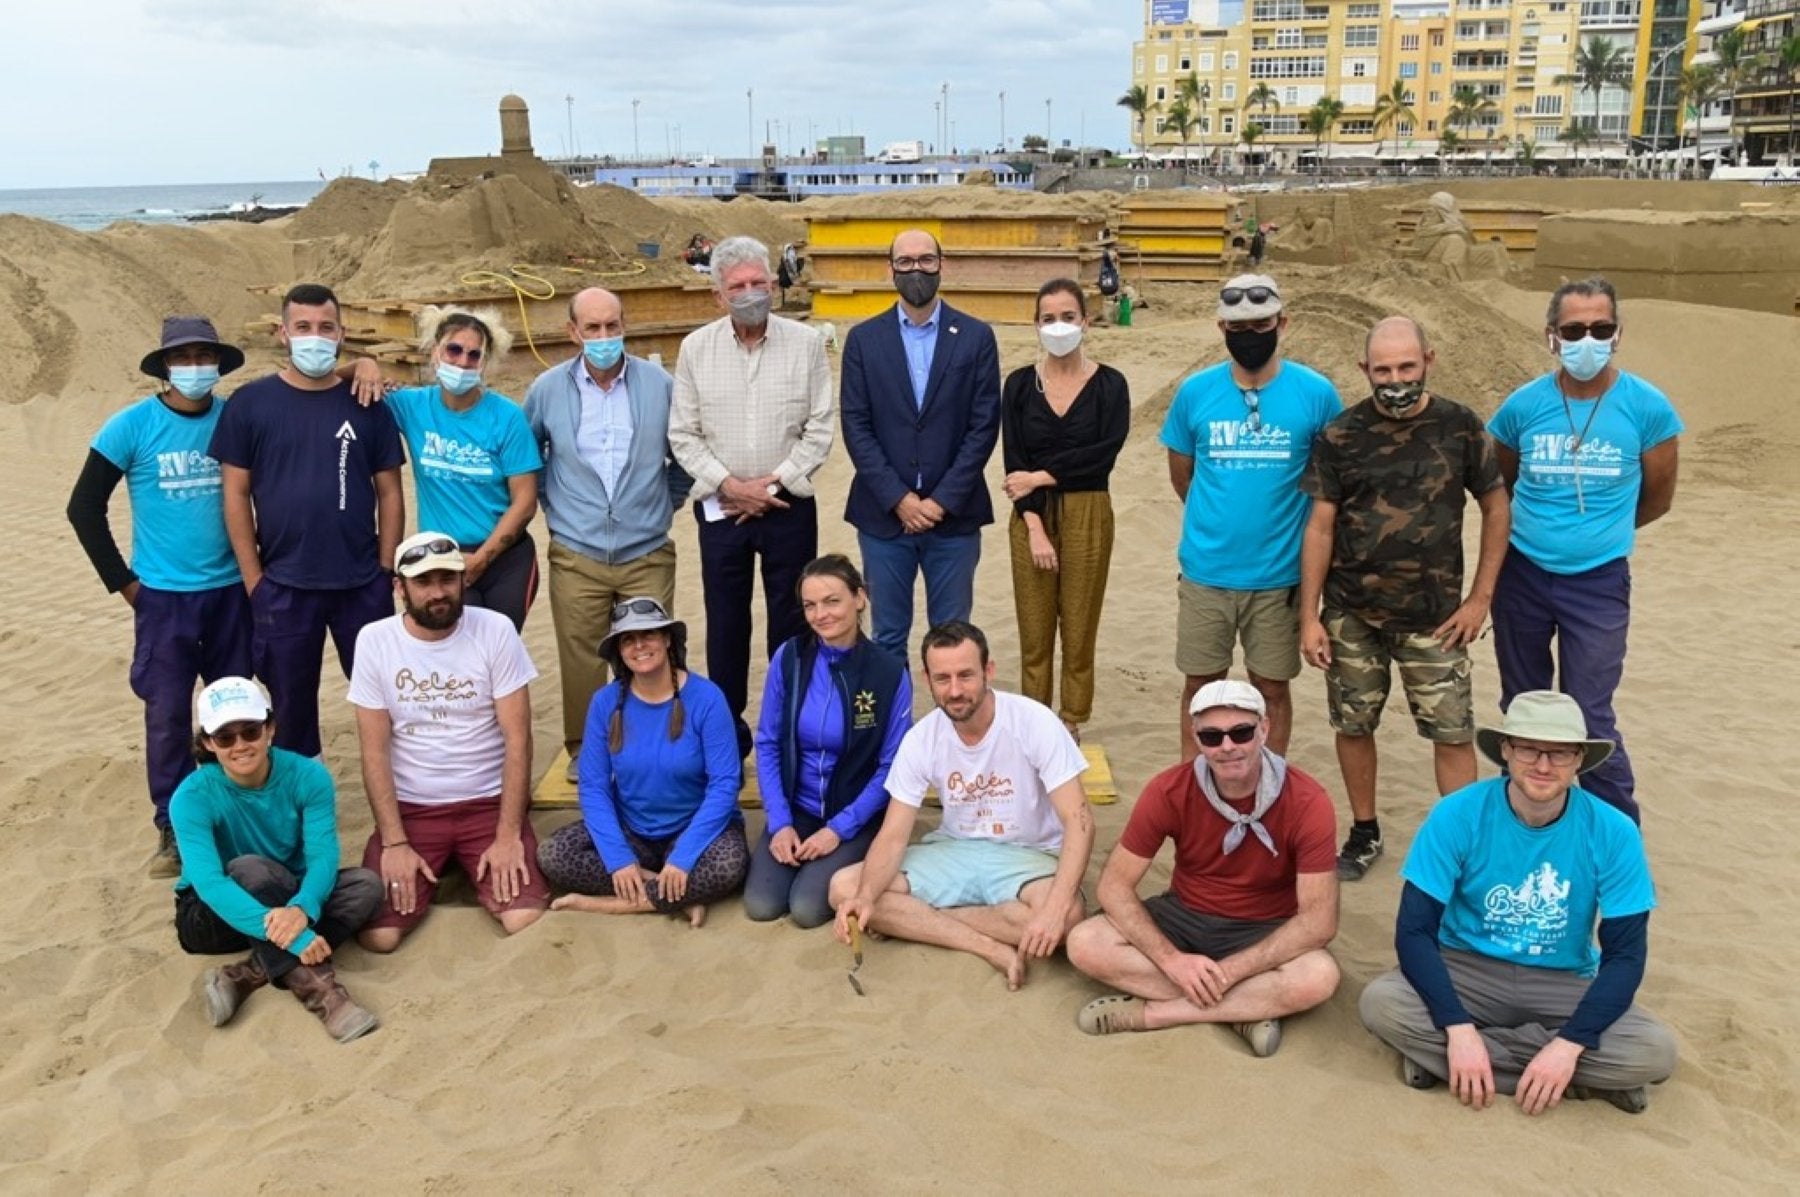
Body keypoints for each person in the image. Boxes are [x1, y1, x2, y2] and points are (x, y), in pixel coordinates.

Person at [1359, 691, 1678, 1115]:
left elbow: (1626, 956)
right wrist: (1457, 1027)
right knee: (1380, 1003)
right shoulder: (1457, 813)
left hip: (1561, 978)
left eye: (1560, 753)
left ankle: (1459, 1065)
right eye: (1529, 748)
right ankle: (1560, 1078)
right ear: (1506, 750)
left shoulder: (1614, 831)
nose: (1543, 765)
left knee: (1654, 1053)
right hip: (1465, 967)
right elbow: (1414, 932)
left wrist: (1568, 1045)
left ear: (1579, 758)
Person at [1298, 316, 1511, 881]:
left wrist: (1480, 599)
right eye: (1384, 369)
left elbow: (1495, 506)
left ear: (1429, 361)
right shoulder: (1342, 435)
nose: (1396, 380)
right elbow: (1319, 525)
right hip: (1352, 614)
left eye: (1407, 367)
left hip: (1436, 618)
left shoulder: (1461, 426)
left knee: (1452, 731)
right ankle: (1364, 830)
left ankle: (1459, 845)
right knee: (1353, 723)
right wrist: (1310, 618)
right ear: (1365, 370)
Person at [1486, 277, 1682, 822]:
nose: (1587, 340)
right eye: (1574, 330)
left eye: (1600, 328)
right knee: (1522, 706)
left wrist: (1602, 533)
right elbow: (1501, 482)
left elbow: (1658, 497)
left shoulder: (1648, 408)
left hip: (1597, 583)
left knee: (1590, 714)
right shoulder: (1522, 406)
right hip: (1522, 575)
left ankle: (1614, 829)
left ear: (1617, 333)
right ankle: (1521, 819)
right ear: (1552, 336)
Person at [67, 316, 253, 876]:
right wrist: (125, 584)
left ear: (219, 364)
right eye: (184, 358)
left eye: (205, 357)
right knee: (168, 716)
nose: (196, 368)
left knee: (234, 709)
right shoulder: (132, 426)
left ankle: (235, 813)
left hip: (230, 594)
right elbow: (83, 507)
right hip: (164, 599)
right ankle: (173, 827)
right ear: (165, 367)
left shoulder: (236, 420)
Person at [1066, 680, 1339, 1053]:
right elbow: (1114, 886)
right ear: (1196, 739)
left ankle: (1158, 1014)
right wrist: (1173, 961)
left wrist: (1228, 973)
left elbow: (1318, 921)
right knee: (1085, 943)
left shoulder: (1308, 800)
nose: (1227, 747)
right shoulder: (1169, 789)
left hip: (1265, 926)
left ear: (1264, 729)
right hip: (1186, 914)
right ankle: (1243, 1012)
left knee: (1318, 977)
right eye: (1212, 737)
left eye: (1241, 732)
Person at [829, 621, 1094, 990]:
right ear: (927, 679)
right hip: (955, 849)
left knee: (1068, 918)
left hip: (1028, 853)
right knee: (846, 889)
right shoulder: (922, 737)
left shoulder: (1033, 721)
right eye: (943, 678)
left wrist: (1053, 911)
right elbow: (893, 836)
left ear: (989, 670)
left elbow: (1079, 821)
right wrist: (866, 897)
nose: (955, 690)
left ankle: (919, 922)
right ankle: (987, 944)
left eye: (966, 675)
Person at [208, 283, 406, 759]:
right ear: (283, 333)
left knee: (385, 699)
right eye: (303, 328)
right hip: (284, 585)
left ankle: (401, 795)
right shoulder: (249, 404)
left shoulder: (366, 402)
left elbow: (390, 491)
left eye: (325, 328)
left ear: (341, 334)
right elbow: (235, 494)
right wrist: (255, 579)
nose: (314, 337)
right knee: (292, 708)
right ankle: (304, 808)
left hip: (361, 583)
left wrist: (384, 571)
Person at [1160, 274, 1341, 759]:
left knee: (1272, 688)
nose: (1250, 334)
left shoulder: (1317, 394)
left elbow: (1328, 484)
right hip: (1206, 574)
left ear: (1283, 322)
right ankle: (1196, 790)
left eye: (1261, 324)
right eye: (1237, 326)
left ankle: (1269, 783)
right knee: (1200, 686)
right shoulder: (1195, 393)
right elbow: (1184, 477)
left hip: (1279, 579)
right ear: (1221, 327)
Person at [669, 235, 835, 754]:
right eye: (737, 286)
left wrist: (772, 484)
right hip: (721, 508)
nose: (749, 293)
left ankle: (786, 723)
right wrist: (731, 486)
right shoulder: (695, 349)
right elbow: (684, 435)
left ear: (773, 283)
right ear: (718, 295)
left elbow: (820, 427)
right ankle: (728, 731)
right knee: (725, 621)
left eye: (758, 283)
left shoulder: (806, 344)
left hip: (787, 505)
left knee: (792, 617)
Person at [348, 532, 548, 950]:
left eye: (448, 579)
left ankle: (465, 859)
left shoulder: (495, 630)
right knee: (379, 937)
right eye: (424, 582)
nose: (438, 593)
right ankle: (444, 861)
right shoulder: (374, 641)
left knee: (523, 917)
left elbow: (517, 739)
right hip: (414, 809)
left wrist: (509, 832)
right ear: (399, 587)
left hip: (488, 803)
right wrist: (395, 841)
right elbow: (373, 751)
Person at [523, 287, 690, 776]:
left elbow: (681, 455)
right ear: (572, 331)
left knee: (652, 648)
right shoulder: (548, 389)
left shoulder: (659, 385)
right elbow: (529, 458)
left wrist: (663, 503)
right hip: (577, 551)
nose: (603, 337)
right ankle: (585, 748)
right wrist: (557, 508)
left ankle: (652, 741)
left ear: (625, 326)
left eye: (612, 327)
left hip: (647, 549)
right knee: (580, 654)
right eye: (592, 328)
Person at [169, 676, 382, 1043]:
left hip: (287, 892)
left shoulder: (308, 775)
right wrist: (298, 940)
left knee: (366, 887)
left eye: (250, 731)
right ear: (207, 743)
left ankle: (246, 974)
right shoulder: (191, 797)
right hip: (210, 913)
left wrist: (301, 908)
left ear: (270, 728)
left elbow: (322, 855)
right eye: (225, 737)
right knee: (250, 869)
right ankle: (325, 995)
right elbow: (210, 882)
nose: (240, 746)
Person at [839, 229, 1001, 663]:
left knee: (952, 638)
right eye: (906, 261)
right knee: (888, 636)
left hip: (954, 519)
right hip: (883, 518)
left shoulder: (976, 337)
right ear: (889, 268)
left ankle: (951, 730)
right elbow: (856, 425)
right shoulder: (862, 340)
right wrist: (900, 500)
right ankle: (896, 732)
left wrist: (941, 500)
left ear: (942, 265)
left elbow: (983, 425)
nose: (916, 270)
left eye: (926, 260)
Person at [537, 598, 747, 926]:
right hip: (634, 829)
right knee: (553, 855)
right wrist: (618, 858)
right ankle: (674, 894)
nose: (639, 646)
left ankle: (608, 904)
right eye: (627, 639)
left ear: (666, 639)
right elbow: (593, 786)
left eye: (648, 634)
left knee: (729, 865)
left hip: (693, 826)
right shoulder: (605, 702)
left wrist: (684, 857)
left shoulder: (707, 698)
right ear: (619, 651)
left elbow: (725, 783)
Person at [347, 307, 541, 631]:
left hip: (506, 559)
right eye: (453, 350)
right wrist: (363, 364)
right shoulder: (410, 406)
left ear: (484, 362)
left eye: (473, 354)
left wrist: (482, 559)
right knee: (452, 648)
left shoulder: (507, 417)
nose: (462, 362)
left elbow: (525, 502)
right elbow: (339, 387)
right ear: (436, 352)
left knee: (498, 648)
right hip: (443, 557)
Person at [745, 555, 912, 928]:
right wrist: (780, 820)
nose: (821, 614)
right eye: (810, 605)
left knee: (805, 909)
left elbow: (892, 767)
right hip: (798, 809)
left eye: (832, 600)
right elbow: (769, 742)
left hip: (855, 814)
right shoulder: (790, 658)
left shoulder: (889, 672)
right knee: (762, 905)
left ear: (860, 598)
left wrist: (838, 829)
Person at [1001, 279, 1130, 741]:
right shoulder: (1018, 385)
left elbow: (1103, 454)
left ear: (1086, 320)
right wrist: (1034, 524)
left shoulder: (1110, 385)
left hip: (1088, 512)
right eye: (1049, 318)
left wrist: (1039, 476)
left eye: (1068, 317)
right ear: (1035, 325)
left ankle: (1070, 721)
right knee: (1035, 629)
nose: (1059, 326)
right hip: (1031, 517)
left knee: (1078, 624)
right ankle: (1036, 725)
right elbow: (1014, 461)